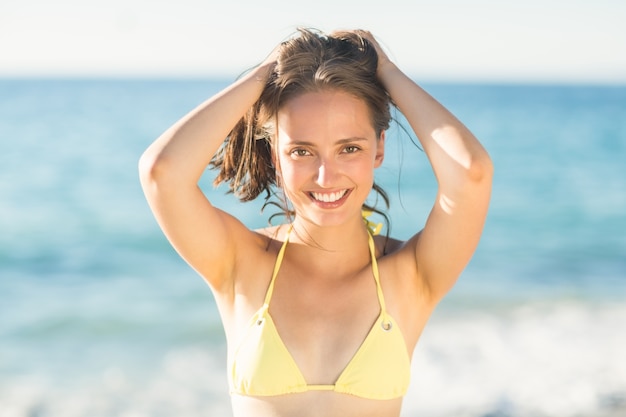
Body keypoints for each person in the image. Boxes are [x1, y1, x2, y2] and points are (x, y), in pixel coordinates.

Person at [139, 28, 492, 417]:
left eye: (350, 148)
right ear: (275, 155)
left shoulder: (411, 274)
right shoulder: (241, 264)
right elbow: (162, 172)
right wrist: (265, 72)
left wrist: (388, 71)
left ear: (379, 148)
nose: (326, 177)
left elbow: (470, 172)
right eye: (302, 151)